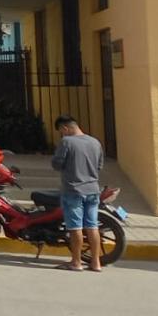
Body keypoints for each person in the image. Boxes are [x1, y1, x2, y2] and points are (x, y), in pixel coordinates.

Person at [50, 115, 106, 272]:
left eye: (61, 131)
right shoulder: (95, 142)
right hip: (93, 190)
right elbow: (100, 165)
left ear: (65, 128)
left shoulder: (66, 142)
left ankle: (76, 262)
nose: (62, 134)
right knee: (92, 226)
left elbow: (57, 164)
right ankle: (96, 262)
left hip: (73, 190)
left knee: (75, 227)